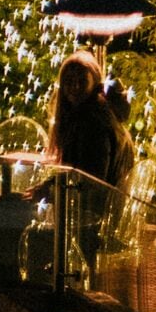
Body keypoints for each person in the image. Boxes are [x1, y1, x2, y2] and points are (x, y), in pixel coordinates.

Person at [51, 55, 124, 271]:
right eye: (68, 82)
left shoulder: (92, 122)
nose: (73, 87)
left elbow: (89, 178)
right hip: (95, 210)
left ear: (94, 83)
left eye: (81, 81)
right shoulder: (94, 114)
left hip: (91, 216)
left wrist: (49, 189)